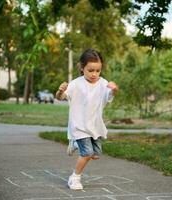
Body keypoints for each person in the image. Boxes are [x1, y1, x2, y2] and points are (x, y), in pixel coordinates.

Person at [55, 48, 118, 190]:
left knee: (95, 155)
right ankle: (75, 178)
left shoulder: (103, 83)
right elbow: (60, 98)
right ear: (82, 68)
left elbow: (110, 96)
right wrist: (60, 91)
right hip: (79, 126)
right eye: (91, 70)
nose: (94, 74)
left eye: (98, 70)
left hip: (95, 126)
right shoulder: (76, 84)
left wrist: (114, 89)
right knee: (87, 153)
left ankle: (76, 144)